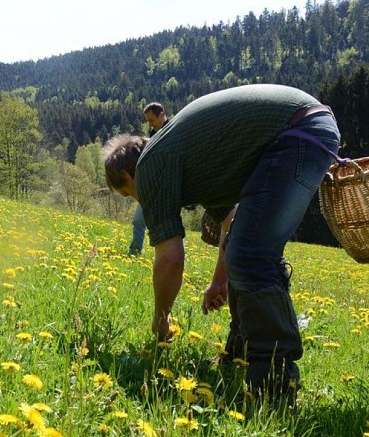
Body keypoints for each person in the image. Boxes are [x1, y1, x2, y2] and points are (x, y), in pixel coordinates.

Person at [102, 84, 341, 406]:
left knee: (252, 255)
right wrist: (219, 280)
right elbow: (230, 221)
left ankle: (274, 384)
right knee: (246, 248)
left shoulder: (151, 167)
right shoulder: (187, 160)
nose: (136, 199)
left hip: (298, 131)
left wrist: (161, 318)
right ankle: (240, 355)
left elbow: (170, 257)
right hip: (305, 125)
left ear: (128, 176)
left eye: (128, 194)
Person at [128, 102, 169, 255]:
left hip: (167, 184)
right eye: (147, 121)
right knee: (139, 219)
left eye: (151, 120)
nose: (150, 124)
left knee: (168, 224)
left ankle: (171, 256)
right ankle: (134, 252)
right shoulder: (153, 132)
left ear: (162, 115)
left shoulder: (172, 131)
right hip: (152, 184)